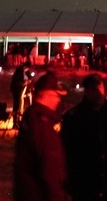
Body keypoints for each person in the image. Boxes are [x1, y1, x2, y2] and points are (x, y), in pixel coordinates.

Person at [61, 73, 107, 201]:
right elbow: (68, 152)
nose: (99, 93)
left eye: (100, 88)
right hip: (84, 183)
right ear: (87, 91)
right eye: (94, 89)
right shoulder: (74, 118)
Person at [14, 71, 68, 201]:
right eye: (56, 95)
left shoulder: (31, 118)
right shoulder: (43, 128)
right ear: (45, 96)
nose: (59, 101)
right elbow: (51, 174)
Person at [10, 63, 27, 129]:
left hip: (17, 91)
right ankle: (15, 122)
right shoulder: (19, 74)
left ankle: (17, 121)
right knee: (17, 107)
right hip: (17, 92)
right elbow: (18, 83)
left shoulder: (19, 73)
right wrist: (24, 83)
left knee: (17, 106)